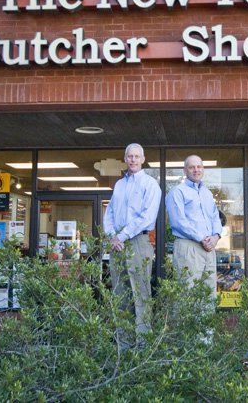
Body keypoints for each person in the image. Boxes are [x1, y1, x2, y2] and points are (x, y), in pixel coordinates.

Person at [103, 143, 162, 349]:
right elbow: (109, 213)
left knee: (141, 294)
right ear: (125, 159)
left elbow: (147, 217)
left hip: (138, 241)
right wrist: (112, 236)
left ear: (143, 159)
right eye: (130, 156)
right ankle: (124, 347)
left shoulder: (150, 184)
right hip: (117, 244)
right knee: (120, 294)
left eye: (137, 156)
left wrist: (123, 235)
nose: (133, 160)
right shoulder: (119, 185)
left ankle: (143, 348)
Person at [166, 155, 222, 304]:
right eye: (191, 167)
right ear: (185, 170)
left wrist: (216, 237)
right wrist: (202, 238)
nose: (196, 170)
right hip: (188, 247)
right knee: (187, 296)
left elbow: (216, 217)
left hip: (209, 248)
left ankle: (207, 329)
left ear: (203, 169)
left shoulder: (207, 193)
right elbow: (178, 222)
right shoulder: (177, 192)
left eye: (199, 167)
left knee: (208, 295)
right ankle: (185, 329)